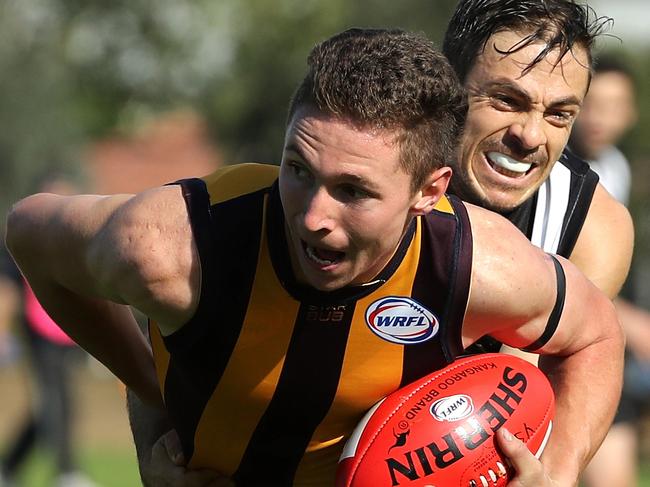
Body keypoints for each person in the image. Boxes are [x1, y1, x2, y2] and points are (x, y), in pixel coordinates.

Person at [5, 28, 624, 487]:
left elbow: (597, 334)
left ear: (428, 192)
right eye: (298, 169)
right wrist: (153, 389)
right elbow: (28, 231)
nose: (312, 216)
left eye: (353, 191)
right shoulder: (177, 245)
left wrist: (560, 473)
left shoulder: (475, 266)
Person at [569, 57, 650, 487]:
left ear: (631, 111)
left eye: (614, 105)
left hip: (600, 348)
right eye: (592, 103)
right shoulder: (552, 168)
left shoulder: (616, 167)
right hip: (549, 349)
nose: (600, 117)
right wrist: (633, 324)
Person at [0, 178, 97, 487]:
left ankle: (10, 466)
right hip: (38, 334)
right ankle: (66, 472)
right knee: (53, 403)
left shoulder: (74, 243)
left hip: (66, 334)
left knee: (58, 406)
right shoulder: (24, 243)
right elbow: (7, 292)